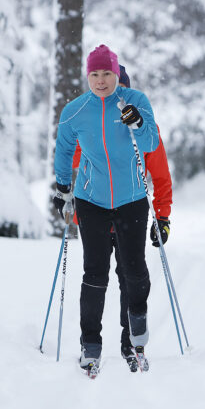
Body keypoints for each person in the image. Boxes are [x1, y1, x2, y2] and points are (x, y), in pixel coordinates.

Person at [53, 45, 160, 375]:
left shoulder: (135, 101)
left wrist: (138, 123)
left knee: (135, 272)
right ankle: (91, 344)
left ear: (117, 74)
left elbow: (151, 144)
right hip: (91, 201)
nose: (101, 81)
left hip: (131, 199)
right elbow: (64, 147)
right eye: (95, 74)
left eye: (107, 74)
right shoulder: (75, 110)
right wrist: (61, 188)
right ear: (88, 76)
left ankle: (134, 342)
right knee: (95, 273)